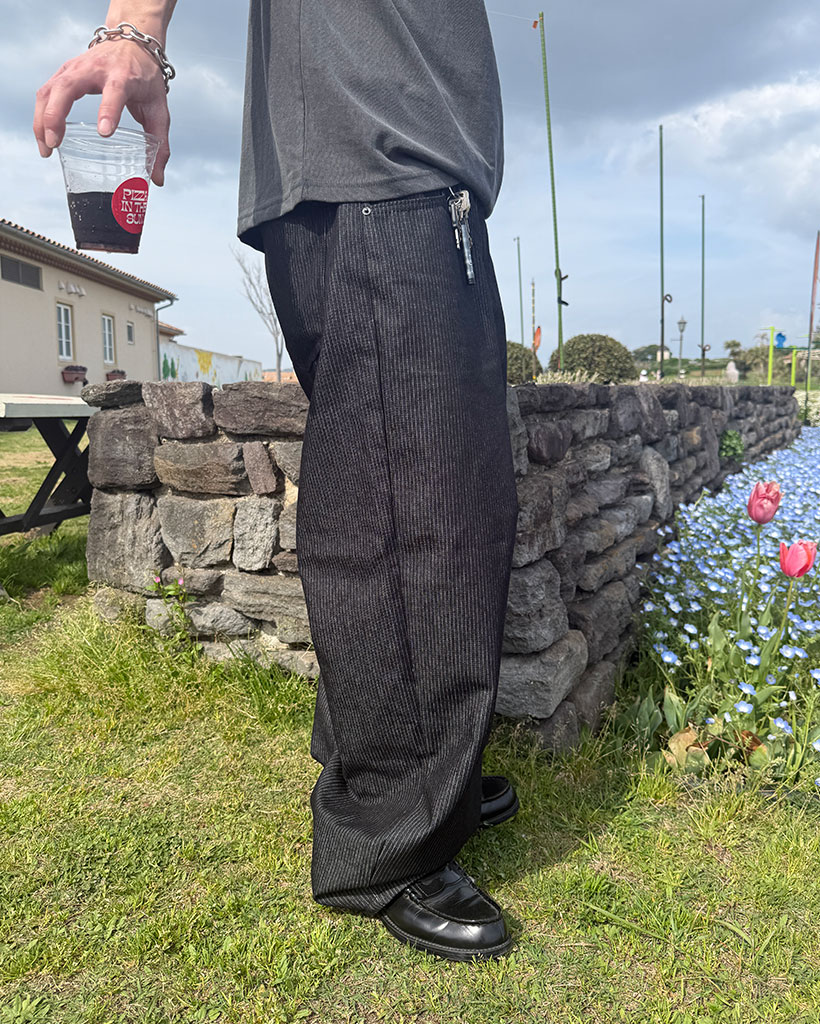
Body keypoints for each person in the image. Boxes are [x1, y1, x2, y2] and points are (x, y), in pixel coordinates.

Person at [34, 0, 521, 963]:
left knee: (417, 487)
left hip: (397, 165)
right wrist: (132, 29)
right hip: (375, 152)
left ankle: (413, 772)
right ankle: (389, 832)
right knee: (415, 510)